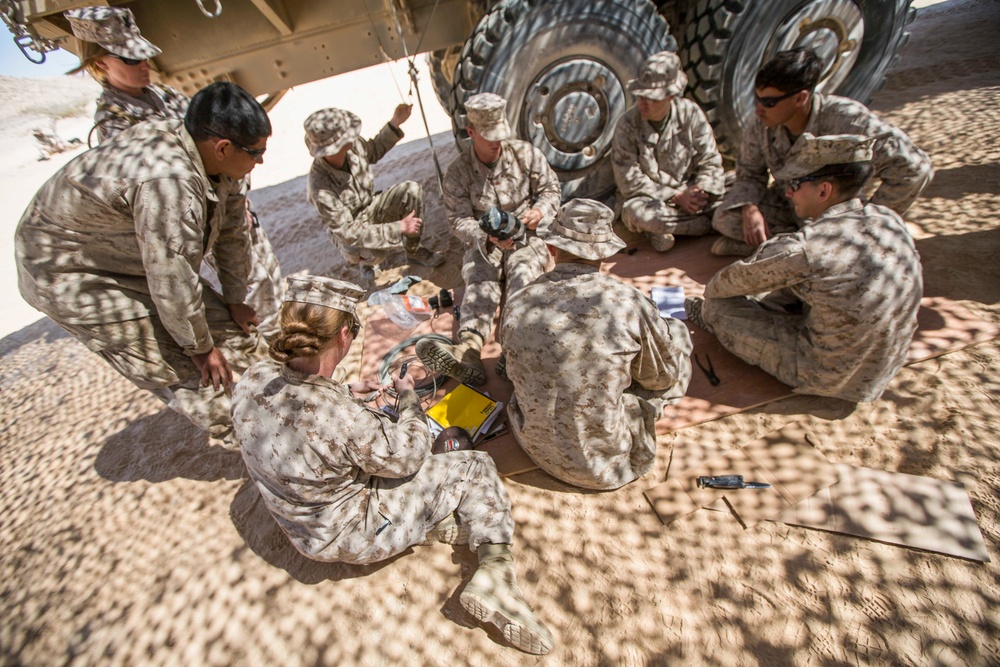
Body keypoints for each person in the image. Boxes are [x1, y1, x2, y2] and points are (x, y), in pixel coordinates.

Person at [231, 276, 554, 655]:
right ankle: (496, 575)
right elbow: (408, 456)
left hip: (302, 528)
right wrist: (407, 402)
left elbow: (300, 406)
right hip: (353, 534)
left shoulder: (254, 377)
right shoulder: (342, 420)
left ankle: (439, 524)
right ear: (344, 337)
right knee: (474, 465)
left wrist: (345, 392)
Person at [15, 81, 273, 441]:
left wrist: (233, 298)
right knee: (193, 372)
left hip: (132, 256)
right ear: (223, 147)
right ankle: (263, 446)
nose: (261, 160)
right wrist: (198, 349)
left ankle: (282, 416)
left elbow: (230, 232)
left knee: (237, 340)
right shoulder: (170, 182)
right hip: (71, 270)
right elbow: (170, 276)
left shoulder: (220, 162)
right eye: (256, 152)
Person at [65, 6, 286, 338]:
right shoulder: (114, 125)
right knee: (251, 295)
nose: (143, 66)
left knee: (270, 279)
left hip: (232, 207)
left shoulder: (166, 96)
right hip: (203, 216)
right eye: (130, 59)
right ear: (100, 63)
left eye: (143, 57)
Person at [687, 134, 923, 403]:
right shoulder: (889, 219)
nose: (788, 192)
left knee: (717, 307)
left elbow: (720, 286)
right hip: (880, 371)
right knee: (801, 287)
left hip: (828, 376)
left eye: (795, 184)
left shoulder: (806, 248)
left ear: (823, 191)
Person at [501, 199, 693, 490]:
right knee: (676, 333)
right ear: (603, 253)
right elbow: (660, 378)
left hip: (534, 447)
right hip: (606, 466)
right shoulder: (627, 301)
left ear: (552, 249)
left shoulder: (518, 302)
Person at [711, 47, 934, 257]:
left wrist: (869, 220)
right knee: (726, 217)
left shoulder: (847, 120)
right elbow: (750, 172)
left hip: (830, 217)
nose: (758, 109)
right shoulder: (764, 123)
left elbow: (914, 168)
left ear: (800, 98)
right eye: (757, 99)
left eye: (769, 102)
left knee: (829, 254)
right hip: (789, 205)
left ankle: (781, 251)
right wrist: (750, 208)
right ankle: (783, 249)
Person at [417, 92, 562, 386]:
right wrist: (484, 234)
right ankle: (469, 349)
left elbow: (552, 189)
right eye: (489, 136)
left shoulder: (525, 154)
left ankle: (514, 347)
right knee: (480, 280)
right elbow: (457, 220)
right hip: (484, 242)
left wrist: (538, 211)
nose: (497, 142)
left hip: (526, 235)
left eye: (500, 134)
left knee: (523, 276)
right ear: (471, 132)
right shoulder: (458, 173)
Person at [305, 105, 444, 281]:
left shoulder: (353, 147)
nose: (353, 135)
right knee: (373, 252)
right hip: (350, 230)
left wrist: (395, 122)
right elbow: (347, 232)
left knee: (411, 190)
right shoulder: (320, 188)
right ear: (334, 146)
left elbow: (374, 149)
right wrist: (398, 227)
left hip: (370, 208)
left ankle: (413, 250)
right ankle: (367, 262)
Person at [611, 51, 725, 252]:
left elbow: (710, 159)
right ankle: (703, 225)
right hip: (651, 200)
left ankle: (681, 226)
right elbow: (628, 181)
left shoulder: (690, 114)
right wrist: (676, 196)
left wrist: (700, 192)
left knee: (733, 192)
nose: (644, 103)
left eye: (652, 98)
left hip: (689, 194)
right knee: (635, 213)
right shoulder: (627, 124)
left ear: (671, 96)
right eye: (641, 96)